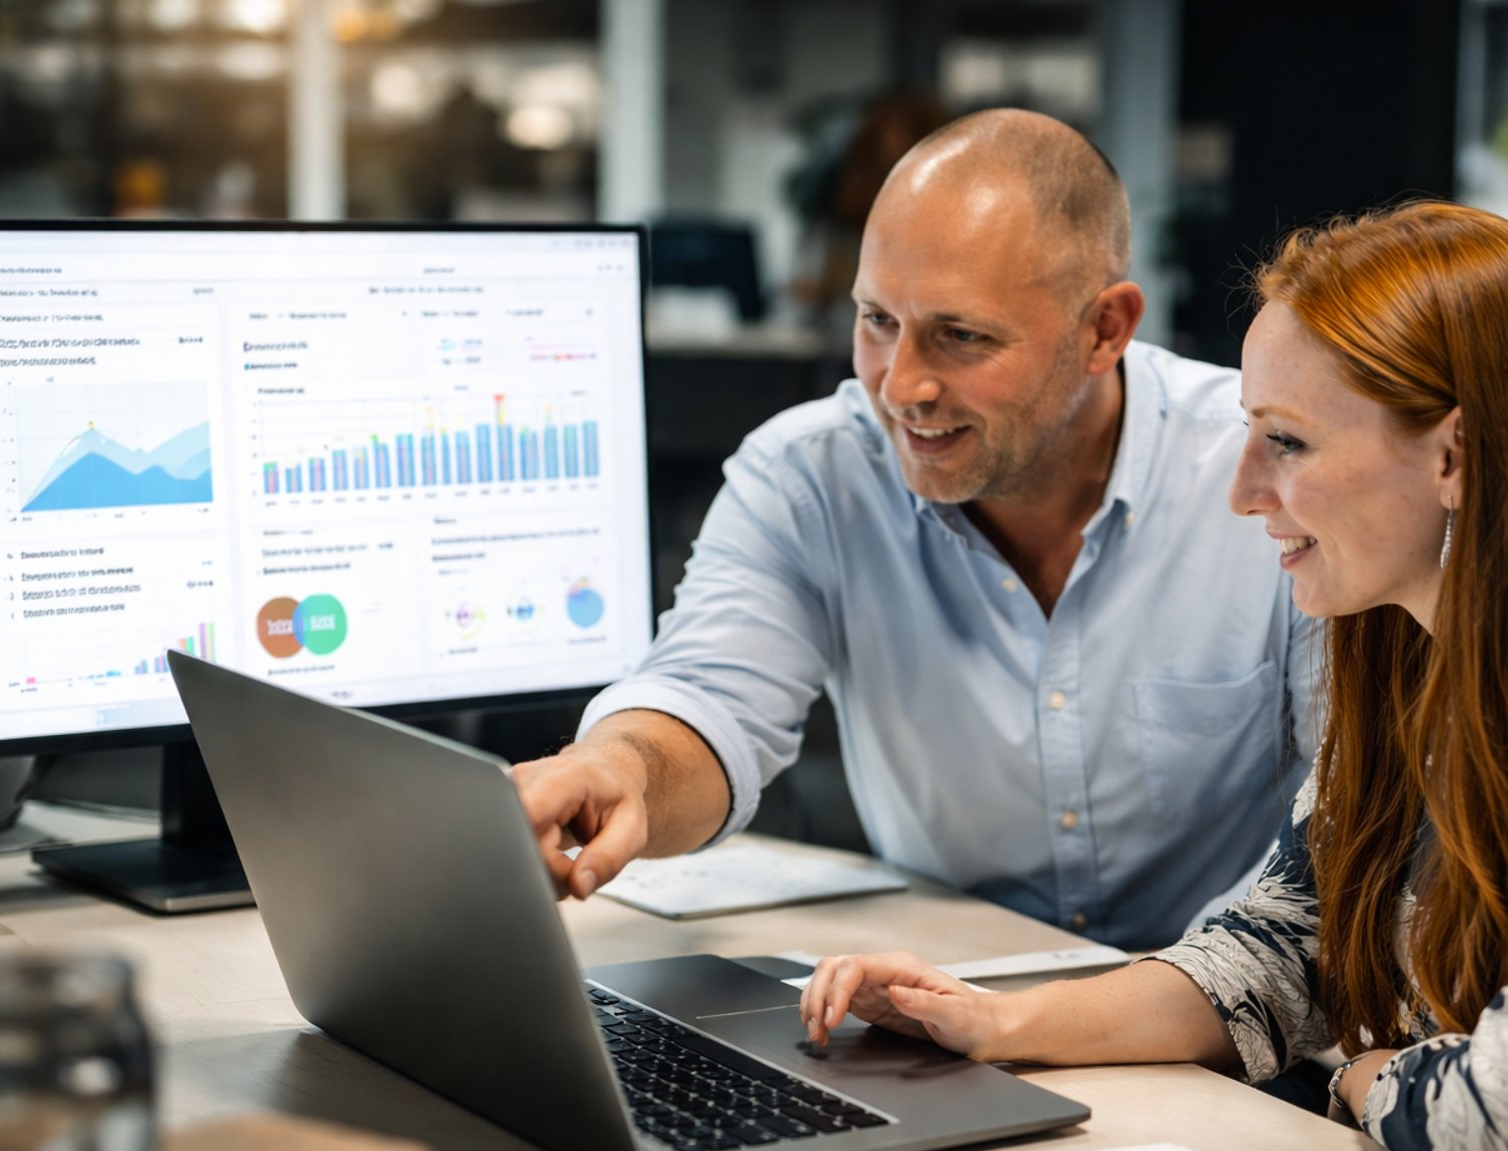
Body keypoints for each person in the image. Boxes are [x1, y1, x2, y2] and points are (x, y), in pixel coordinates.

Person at [797, 201, 1508, 1151]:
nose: (1245, 491)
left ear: (1455, 455)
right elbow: (1277, 951)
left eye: (1286, 441)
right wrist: (997, 1022)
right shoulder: (1414, 661)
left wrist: (1357, 1074)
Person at [513, 109, 1318, 950]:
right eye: (877, 322)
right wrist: (620, 770)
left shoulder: (1271, 472)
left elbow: (1362, 833)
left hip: (1232, 1025)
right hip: (947, 1008)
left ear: (1103, 329)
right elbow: (710, 697)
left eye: (960, 336)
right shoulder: (812, 474)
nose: (900, 387)